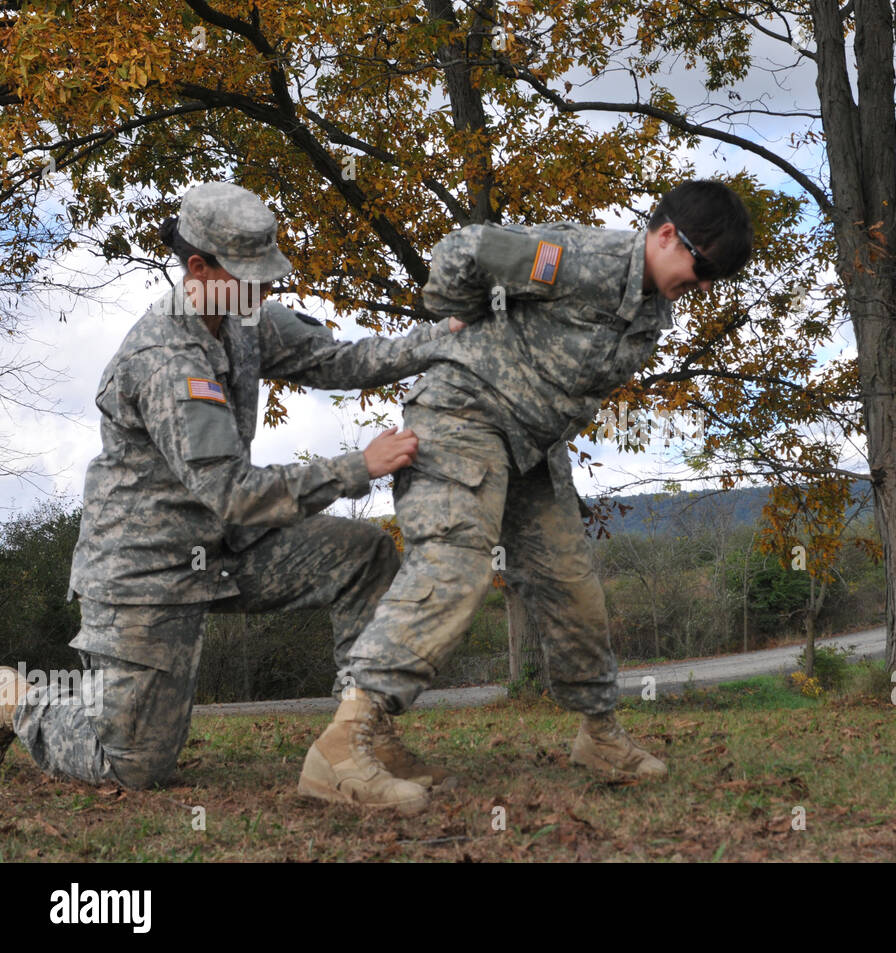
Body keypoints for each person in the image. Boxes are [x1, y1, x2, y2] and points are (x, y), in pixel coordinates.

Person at [297, 181, 754, 812]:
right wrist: (455, 312)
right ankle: (342, 747)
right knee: (455, 565)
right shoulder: (583, 259)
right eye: (703, 268)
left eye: (715, 279)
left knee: (573, 585)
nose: (702, 286)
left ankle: (599, 736)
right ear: (667, 234)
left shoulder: (651, 308)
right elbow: (467, 249)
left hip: (531, 448)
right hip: (462, 415)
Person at [0, 182, 458, 807]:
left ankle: (359, 743)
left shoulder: (243, 319)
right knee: (132, 766)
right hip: (145, 570)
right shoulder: (165, 359)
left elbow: (336, 361)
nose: (265, 290)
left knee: (363, 555)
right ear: (199, 269)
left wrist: (440, 339)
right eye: (251, 276)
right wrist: (359, 466)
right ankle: (17, 699)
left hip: (225, 550)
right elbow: (235, 495)